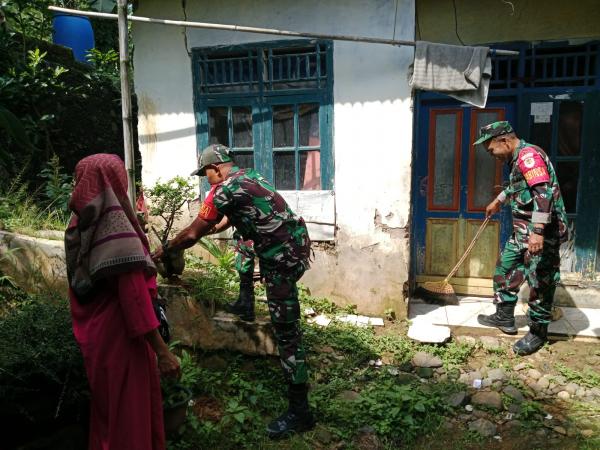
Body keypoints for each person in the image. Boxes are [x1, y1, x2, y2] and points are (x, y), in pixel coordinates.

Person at [152, 143, 314, 438]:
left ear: (215, 168)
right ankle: (249, 307)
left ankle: (300, 412)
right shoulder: (250, 176)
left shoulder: (223, 189)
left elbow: (191, 233)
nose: (206, 179)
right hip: (293, 247)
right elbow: (233, 215)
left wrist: (164, 250)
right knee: (285, 322)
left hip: (280, 258)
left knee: (287, 333)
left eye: (205, 173)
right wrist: (212, 228)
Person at [65, 154, 180, 450]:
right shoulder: (114, 225)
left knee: (108, 413)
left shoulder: (82, 220)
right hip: (122, 338)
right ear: (115, 181)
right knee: (129, 418)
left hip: (95, 336)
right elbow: (134, 299)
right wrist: (162, 351)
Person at [475, 121, 569, 356]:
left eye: (491, 150)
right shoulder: (516, 160)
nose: (492, 155)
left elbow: (543, 194)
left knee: (539, 282)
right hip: (521, 233)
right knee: (505, 269)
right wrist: (498, 201)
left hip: (540, 235)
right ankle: (504, 317)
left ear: (504, 141)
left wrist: (538, 231)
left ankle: (538, 333)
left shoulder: (529, 157)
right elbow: (516, 186)